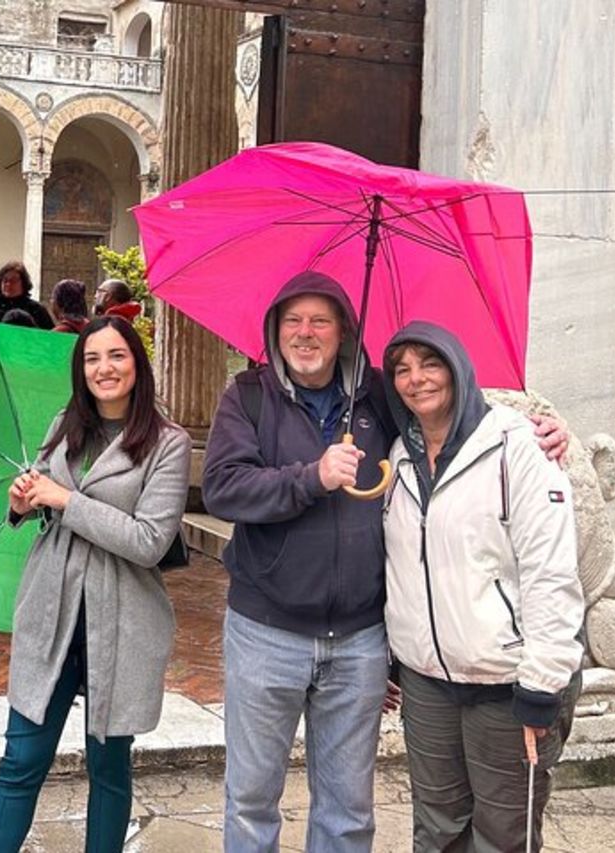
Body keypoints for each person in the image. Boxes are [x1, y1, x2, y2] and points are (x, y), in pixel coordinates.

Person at [202, 271, 569, 853]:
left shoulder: (378, 394)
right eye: (292, 321)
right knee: (250, 801)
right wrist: (311, 477)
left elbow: (451, 413)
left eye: (320, 321)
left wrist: (531, 427)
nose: (305, 333)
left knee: (348, 810)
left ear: (343, 332)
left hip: (358, 641)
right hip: (266, 631)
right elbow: (222, 488)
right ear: (275, 330)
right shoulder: (248, 396)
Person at [0, 315, 191, 852]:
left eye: (116, 355)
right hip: (52, 608)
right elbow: (42, 498)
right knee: (21, 758)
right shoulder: (64, 425)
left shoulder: (168, 443)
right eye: (92, 358)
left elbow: (150, 541)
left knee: (108, 764)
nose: (104, 368)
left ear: (137, 363)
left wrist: (66, 500)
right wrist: (22, 502)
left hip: (122, 618)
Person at [381, 321, 583, 852]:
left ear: (458, 369)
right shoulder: (397, 457)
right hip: (427, 683)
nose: (416, 379)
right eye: (402, 369)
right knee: (437, 830)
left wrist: (542, 685)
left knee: (503, 835)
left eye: (430, 364)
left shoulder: (519, 447)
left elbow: (550, 572)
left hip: (507, 684)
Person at [0, 260, 54, 329]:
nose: (8, 284)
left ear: (23, 283)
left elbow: (48, 336)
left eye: (14, 280)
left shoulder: (37, 310)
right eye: (5, 280)